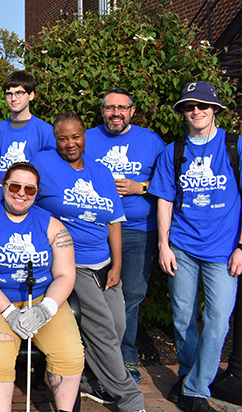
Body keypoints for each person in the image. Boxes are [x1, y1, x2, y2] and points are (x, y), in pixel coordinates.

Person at [31, 113, 145, 412]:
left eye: (75, 137)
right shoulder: (43, 164)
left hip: (104, 262)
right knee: (104, 329)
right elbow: (22, 194)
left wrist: (117, 265)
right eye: (63, 138)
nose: (70, 144)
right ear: (55, 140)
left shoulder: (101, 171)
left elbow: (115, 222)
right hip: (70, 263)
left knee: (117, 326)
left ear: (85, 136)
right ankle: (131, 398)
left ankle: (84, 381)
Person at [0, 161, 83, 412]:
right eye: (15, 185)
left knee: (70, 352)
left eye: (30, 189)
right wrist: (9, 312)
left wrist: (46, 309)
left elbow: (65, 274)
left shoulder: (52, 225)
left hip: (38, 298)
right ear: (3, 186)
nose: (21, 193)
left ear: (37, 193)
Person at [149, 81, 242, 412]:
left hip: (223, 249)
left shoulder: (235, 146)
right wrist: (163, 245)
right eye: (189, 106)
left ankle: (195, 388)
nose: (196, 111)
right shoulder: (173, 151)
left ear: (215, 109)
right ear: (183, 112)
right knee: (183, 318)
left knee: (217, 318)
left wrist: (241, 246)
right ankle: (190, 377)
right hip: (182, 247)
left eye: (203, 105)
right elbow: (164, 200)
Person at [84, 88, 165, 382]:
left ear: (132, 110)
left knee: (131, 295)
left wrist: (139, 188)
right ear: (102, 111)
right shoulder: (88, 139)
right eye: (109, 108)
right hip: (93, 231)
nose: (115, 113)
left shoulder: (151, 141)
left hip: (137, 231)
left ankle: (125, 357)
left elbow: (168, 183)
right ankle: (94, 357)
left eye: (121, 107)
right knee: (91, 298)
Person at [0, 71, 55, 201]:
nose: (13, 99)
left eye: (19, 93)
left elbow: (49, 176)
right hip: (1, 204)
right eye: (9, 94)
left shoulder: (45, 131)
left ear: (31, 95)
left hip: (30, 206)